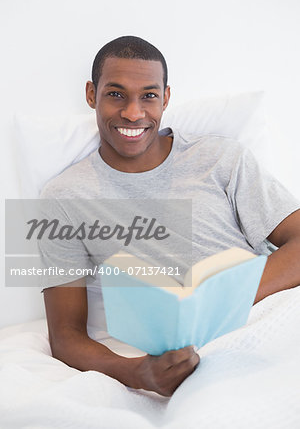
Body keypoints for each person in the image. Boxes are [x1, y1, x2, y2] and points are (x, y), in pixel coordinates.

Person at [40, 36, 300, 398]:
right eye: (116, 94)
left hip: (272, 316)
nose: (133, 113)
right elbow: (65, 336)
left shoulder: (221, 157)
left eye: (148, 95)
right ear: (91, 94)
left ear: (165, 98)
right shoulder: (61, 198)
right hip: (189, 357)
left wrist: (223, 300)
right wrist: (137, 373)